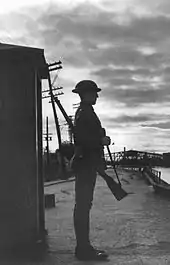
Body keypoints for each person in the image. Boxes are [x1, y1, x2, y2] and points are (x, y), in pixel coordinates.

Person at [71, 80, 111, 261]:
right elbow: (84, 141)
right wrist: (101, 141)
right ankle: (83, 249)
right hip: (86, 163)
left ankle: (84, 247)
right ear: (85, 94)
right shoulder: (85, 113)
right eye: (94, 92)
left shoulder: (85, 112)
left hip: (86, 163)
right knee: (83, 206)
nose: (97, 95)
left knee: (83, 206)